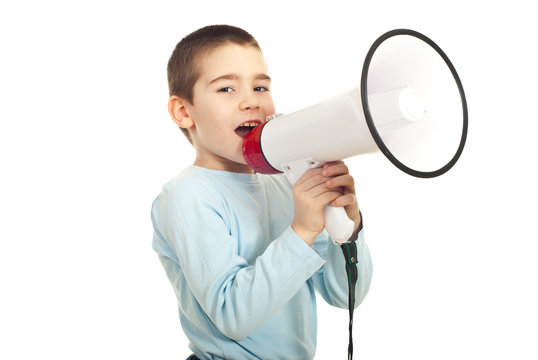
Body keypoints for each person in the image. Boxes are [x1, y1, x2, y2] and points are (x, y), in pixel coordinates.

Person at [151, 24, 373, 360]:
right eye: (226, 88)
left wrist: (348, 227)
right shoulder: (187, 195)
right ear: (184, 112)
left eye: (260, 86)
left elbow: (344, 295)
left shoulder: (284, 183)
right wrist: (301, 232)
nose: (251, 101)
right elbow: (232, 316)